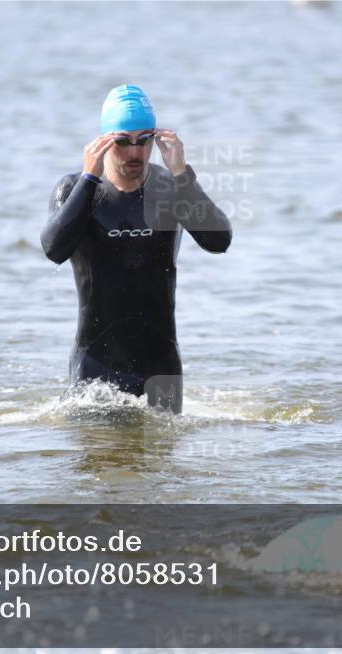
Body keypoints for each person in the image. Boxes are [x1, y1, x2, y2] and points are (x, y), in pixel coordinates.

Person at [41, 84, 232, 414]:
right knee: (96, 448)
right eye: (122, 141)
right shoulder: (76, 190)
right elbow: (54, 249)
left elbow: (219, 241)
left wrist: (182, 174)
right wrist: (89, 178)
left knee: (164, 449)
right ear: (104, 141)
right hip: (95, 367)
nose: (135, 152)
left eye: (144, 140)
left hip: (161, 369)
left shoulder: (171, 188)